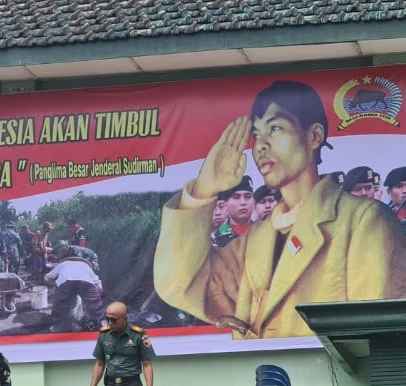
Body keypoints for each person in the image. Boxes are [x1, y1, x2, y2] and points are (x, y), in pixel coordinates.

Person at [154, 80, 406, 338]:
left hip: (329, 375)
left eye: (275, 128)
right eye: (257, 134)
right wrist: (204, 190)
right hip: (263, 376)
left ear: (314, 136)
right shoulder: (255, 239)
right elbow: (179, 285)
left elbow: (375, 335)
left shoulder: (363, 221)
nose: (261, 145)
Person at [44, 257, 104, 332]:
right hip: (87, 283)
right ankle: (103, 326)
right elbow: (98, 283)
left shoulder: (62, 264)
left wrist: (55, 284)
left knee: (60, 309)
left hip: (66, 283)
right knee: (97, 309)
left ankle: (59, 330)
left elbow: (47, 277)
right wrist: (96, 296)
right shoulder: (85, 266)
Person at [211, 176, 254, 247]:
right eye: (236, 197)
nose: (243, 202)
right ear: (225, 205)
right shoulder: (215, 238)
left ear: (254, 202)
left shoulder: (265, 232)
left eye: (248, 196)